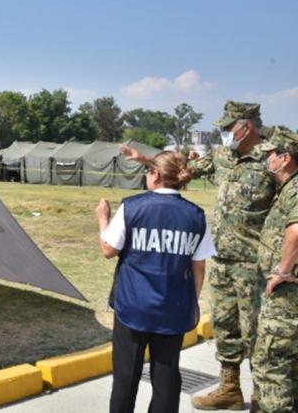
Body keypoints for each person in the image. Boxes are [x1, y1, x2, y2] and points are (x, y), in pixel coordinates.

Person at [121, 100, 276, 410]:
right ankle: (230, 389)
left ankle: (263, 399)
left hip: (255, 264)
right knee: (225, 327)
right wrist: (147, 160)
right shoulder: (221, 157)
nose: (225, 134)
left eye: (229, 128)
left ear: (247, 126)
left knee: (257, 334)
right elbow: (180, 172)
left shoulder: (272, 159)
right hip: (220, 260)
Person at [96, 150, 215, 413]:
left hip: (132, 306)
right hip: (173, 308)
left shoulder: (133, 206)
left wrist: (103, 218)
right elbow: (199, 266)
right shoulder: (195, 215)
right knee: (166, 379)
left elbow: (108, 249)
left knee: (126, 378)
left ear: (156, 175)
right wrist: (192, 302)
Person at [250, 128, 298, 413]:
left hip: (286, 296)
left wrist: (282, 270)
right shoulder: (286, 189)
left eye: (271, 154)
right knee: (289, 365)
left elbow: (295, 232)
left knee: (271, 365)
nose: (267, 159)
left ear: (285, 158)